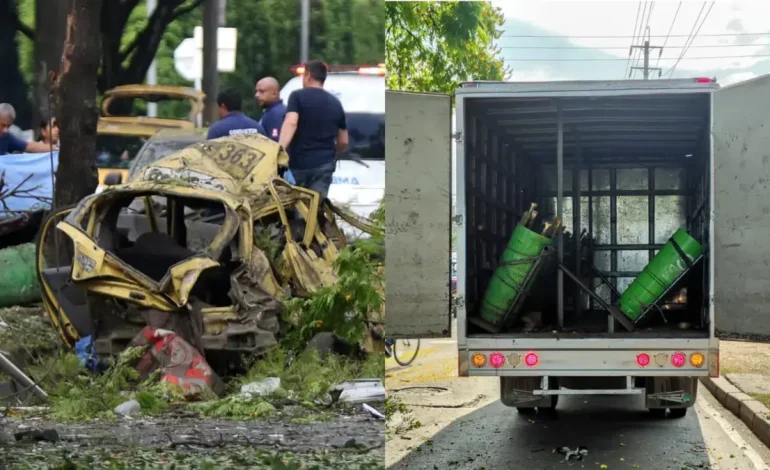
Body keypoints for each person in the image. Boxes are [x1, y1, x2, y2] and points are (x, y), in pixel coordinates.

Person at [278, 60, 348, 200]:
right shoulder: (336, 103)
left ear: (308, 76)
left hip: (299, 165)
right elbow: (344, 140)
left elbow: (291, 123)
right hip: (324, 165)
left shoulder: (297, 96)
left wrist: (280, 149)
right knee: (315, 208)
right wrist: (332, 155)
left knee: (296, 208)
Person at [255, 77, 287, 142]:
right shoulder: (272, 111)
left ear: (274, 94)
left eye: (261, 91)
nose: (256, 95)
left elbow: (274, 142)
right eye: (256, 91)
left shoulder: (275, 114)